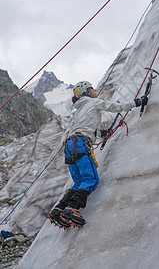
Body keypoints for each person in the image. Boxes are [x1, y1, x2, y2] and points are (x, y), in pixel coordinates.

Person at [48, 81, 148, 228]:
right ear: (86, 92)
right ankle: (72, 209)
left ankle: (58, 211)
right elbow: (114, 107)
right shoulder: (93, 102)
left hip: (70, 145)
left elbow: (84, 126)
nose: (95, 91)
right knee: (91, 179)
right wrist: (137, 102)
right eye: (92, 89)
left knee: (79, 182)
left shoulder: (79, 110)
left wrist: (101, 133)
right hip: (81, 143)